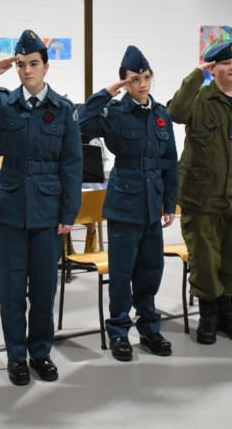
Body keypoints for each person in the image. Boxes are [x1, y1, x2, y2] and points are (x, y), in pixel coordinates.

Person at [0, 29, 82, 386]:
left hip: (48, 208)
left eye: (33, 64)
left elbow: (71, 164)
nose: (27, 71)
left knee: (44, 289)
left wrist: (68, 214)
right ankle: (16, 356)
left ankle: (39, 352)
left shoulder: (64, 110)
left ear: (46, 66)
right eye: (21, 65)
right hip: (9, 205)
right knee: (11, 289)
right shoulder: (0, 103)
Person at [167, 41, 232, 344]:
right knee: (204, 258)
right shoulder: (199, 100)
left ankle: (227, 311)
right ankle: (208, 314)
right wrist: (196, 76)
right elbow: (175, 112)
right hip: (202, 197)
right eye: (225, 63)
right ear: (213, 69)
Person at [79, 46, 179, 360]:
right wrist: (105, 93)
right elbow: (80, 125)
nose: (142, 84)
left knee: (151, 269)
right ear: (124, 82)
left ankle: (149, 327)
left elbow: (170, 161)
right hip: (124, 202)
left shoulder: (161, 114)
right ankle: (119, 330)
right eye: (135, 79)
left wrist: (170, 202)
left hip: (153, 203)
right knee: (122, 272)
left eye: (146, 77)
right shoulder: (113, 113)